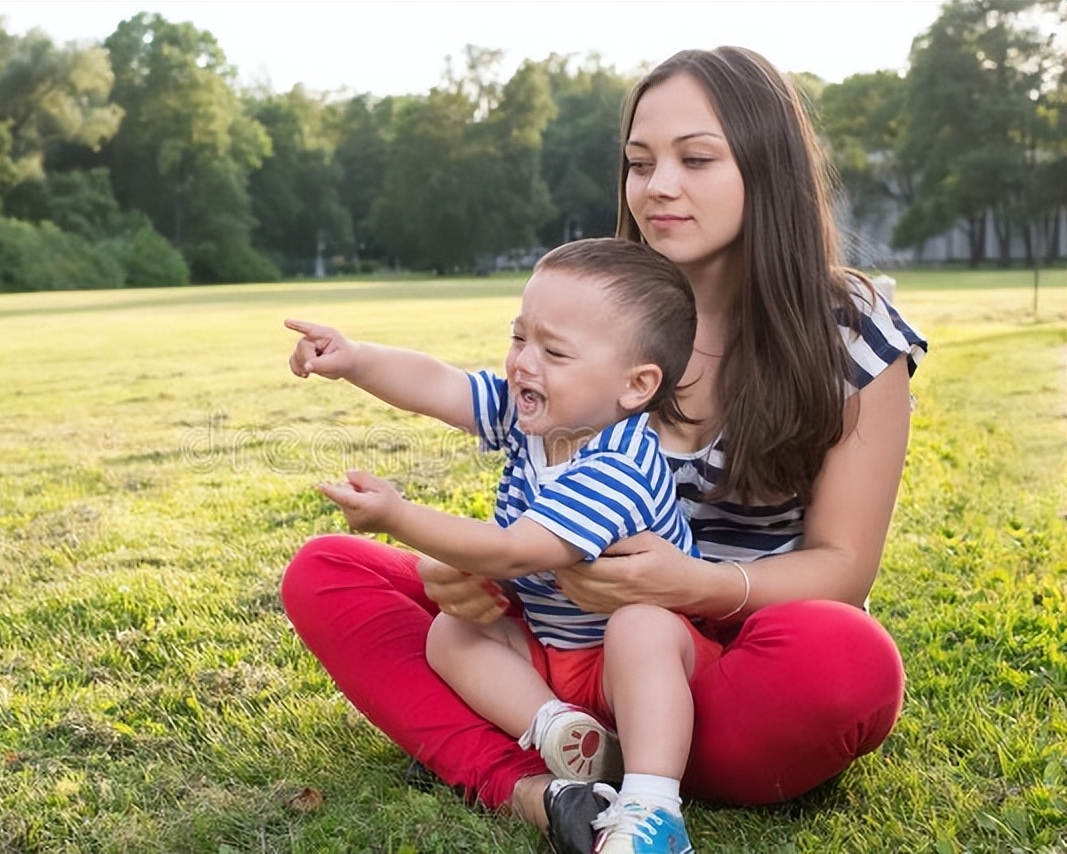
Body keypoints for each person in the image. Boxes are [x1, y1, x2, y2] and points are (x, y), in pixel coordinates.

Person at [280, 45, 927, 854]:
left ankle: (643, 773)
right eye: (638, 162)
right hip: (553, 645)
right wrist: (468, 571)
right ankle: (547, 793)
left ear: (768, 170)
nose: (658, 186)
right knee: (327, 572)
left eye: (695, 159)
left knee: (846, 661)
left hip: (716, 662)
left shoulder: (852, 334)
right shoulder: (599, 313)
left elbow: (844, 566)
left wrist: (691, 584)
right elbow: (487, 434)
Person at [286, 238, 703, 851]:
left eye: (554, 351)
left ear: (636, 386)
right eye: (519, 338)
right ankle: (559, 732)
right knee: (452, 631)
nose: (523, 363)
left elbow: (513, 551)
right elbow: (442, 386)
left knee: (640, 628)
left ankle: (654, 809)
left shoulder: (620, 464)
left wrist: (398, 515)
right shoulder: (530, 415)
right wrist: (355, 359)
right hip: (548, 648)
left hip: (631, 670)